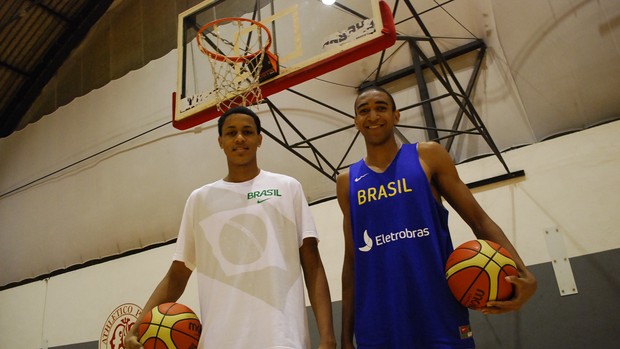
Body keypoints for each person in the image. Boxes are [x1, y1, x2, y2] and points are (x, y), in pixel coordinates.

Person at [336, 85, 537, 348]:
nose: (373, 116)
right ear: (356, 122)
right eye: (364, 111)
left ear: (396, 116)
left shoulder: (428, 156)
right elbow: (352, 261)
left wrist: (524, 274)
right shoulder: (347, 180)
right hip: (378, 318)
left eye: (381, 108)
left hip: (438, 306)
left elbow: (480, 220)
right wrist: (344, 337)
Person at [125, 106, 337, 349]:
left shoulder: (288, 188)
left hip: (282, 338)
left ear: (259, 139)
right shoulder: (200, 199)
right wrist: (136, 327)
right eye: (231, 133)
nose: (239, 138)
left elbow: (313, 264)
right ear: (220, 141)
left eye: (247, 132)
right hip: (220, 341)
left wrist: (328, 337)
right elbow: (177, 274)